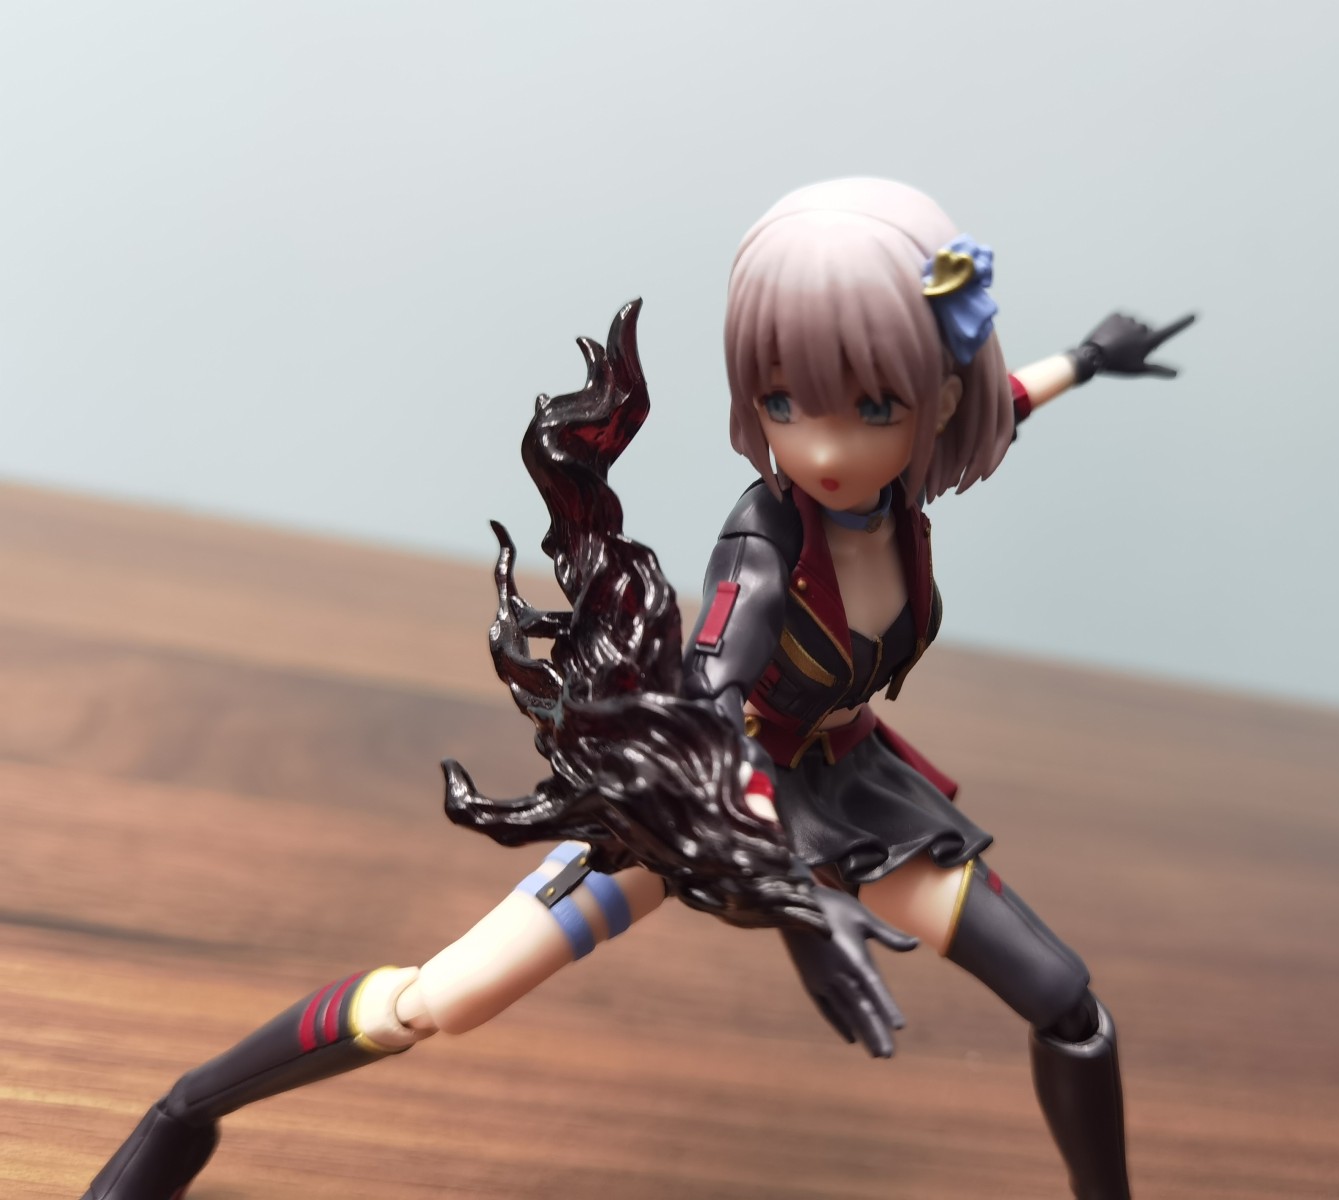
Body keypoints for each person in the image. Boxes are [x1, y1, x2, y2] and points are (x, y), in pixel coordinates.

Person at [84, 179, 1192, 1200]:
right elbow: (710, 707)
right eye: (784, 401)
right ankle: (184, 1113)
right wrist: (796, 902)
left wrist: (1090, 356)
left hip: (852, 793)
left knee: (1067, 1003)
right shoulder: (765, 541)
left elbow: (1003, 395)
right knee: (445, 999)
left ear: (934, 399)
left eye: (869, 407)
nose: (821, 448)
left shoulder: (904, 490)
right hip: (686, 806)